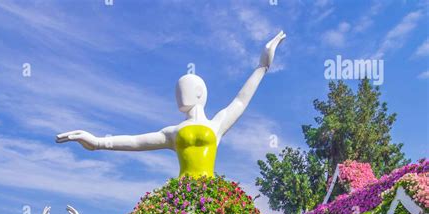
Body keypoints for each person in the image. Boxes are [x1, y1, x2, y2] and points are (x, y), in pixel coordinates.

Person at [56, 31, 286, 178]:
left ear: (199, 93)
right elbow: (136, 141)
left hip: (211, 196)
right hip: (182, 195)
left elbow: (240, 100)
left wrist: (262, 66)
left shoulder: (217, 124)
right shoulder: (173, 132)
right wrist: (97, 142)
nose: (179, 95)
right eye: (177, 91)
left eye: (183, 89)